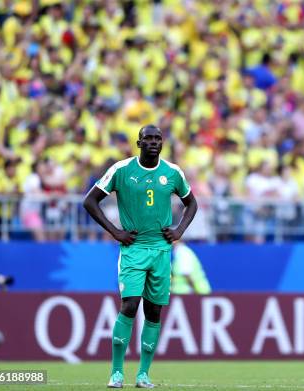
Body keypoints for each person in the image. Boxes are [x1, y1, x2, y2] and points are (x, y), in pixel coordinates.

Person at [83, 125, 197, 389]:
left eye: (158, 138)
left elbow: (192, 203)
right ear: (139, 143)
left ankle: (143, 374)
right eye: (148, 138)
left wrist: (179, 230)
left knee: (154, 311)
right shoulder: (122, 170)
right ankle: (116, 373)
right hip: (133, 249)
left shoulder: (172, 172)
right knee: (130, 305)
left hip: (161, 251)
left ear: (162, 143)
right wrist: (115, 232)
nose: (153, 142)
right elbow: (90, 201)